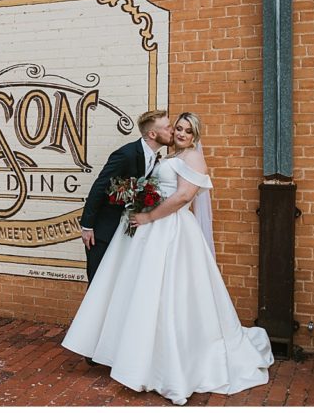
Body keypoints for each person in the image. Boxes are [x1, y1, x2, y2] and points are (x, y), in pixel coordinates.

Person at [62, 112, 273, 405]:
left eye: (187, 130)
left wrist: (148, 216)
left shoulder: (193, 158)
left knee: (170, 292)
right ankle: (133, 352)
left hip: (170, 231)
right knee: (141, 291)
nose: (180, 132)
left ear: (195, 135)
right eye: (177, 128)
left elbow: (184, 197)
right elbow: (131, 187)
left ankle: (169, 359)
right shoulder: (168, 156)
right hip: (149, 232)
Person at [79, 109, 172, 283]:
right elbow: (100, 186)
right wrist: (87, 226)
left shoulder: (153, 158)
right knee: (98, 283)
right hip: (102, 232)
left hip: (124, 232)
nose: (172, 131)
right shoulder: (126, 154)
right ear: (152, 134)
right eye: (167, 128)